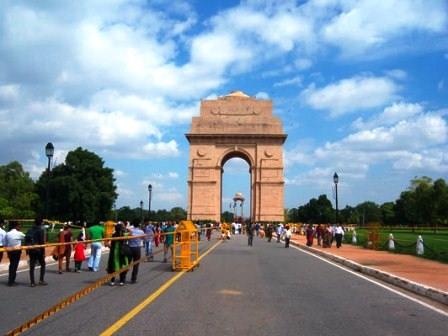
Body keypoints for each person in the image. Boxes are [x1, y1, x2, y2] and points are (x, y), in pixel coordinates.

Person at [26, 218, 47, 287]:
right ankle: (41, 280)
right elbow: (42, 242)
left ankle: (32, 282)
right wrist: (43, 252)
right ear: (41, 223)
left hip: (31, 250)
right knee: (43, 264)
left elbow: (26, 240)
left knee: (32, 266)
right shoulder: (40, 230)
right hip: (38, 250)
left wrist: (27, 251)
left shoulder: (29, 230)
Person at [5, 221, 25, 286]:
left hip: (9, 251)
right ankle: (11, 281)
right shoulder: (19, 233)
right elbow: (26, 237)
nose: (20, 226)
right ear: (16, 226)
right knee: (15, 265)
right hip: (16, 251)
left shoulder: (7, 233)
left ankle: (11, 280)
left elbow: (5, 243)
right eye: (19, 225)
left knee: (11, 264)